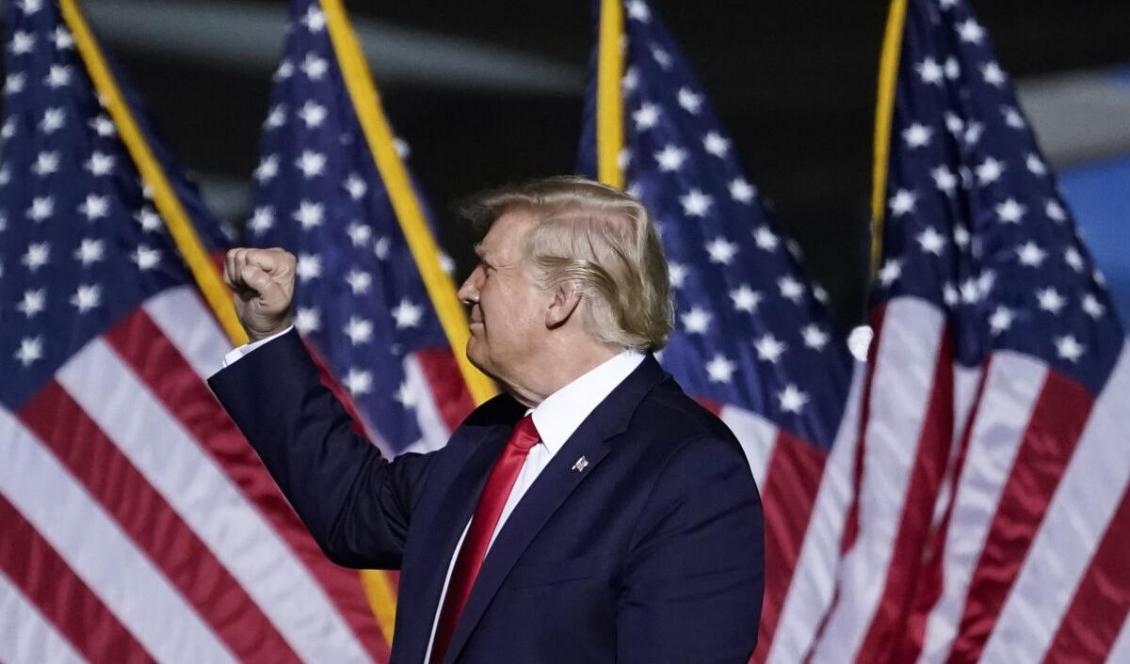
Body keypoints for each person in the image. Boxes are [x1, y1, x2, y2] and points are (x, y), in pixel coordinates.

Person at [209, 176, 764, 663]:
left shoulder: (687, 469)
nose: (466, 289)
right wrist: (270, 335)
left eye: (488, 268)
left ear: (561, 300)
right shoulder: (495, 435)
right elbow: (355, 511)